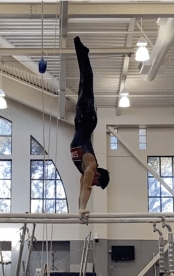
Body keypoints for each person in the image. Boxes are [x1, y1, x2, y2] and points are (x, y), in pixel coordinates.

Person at [70, 36, 110, 220]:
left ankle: (82, 52)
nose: (92, 183)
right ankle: (81, 51)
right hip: (86, 120)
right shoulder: (91, 166)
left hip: (82, 121)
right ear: (98, 176)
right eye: (96, 183)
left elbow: (83, 188)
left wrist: (81, 211)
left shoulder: (86, 171)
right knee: (86, 80)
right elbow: (86, 186)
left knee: (85, 82)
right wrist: (83, 208)